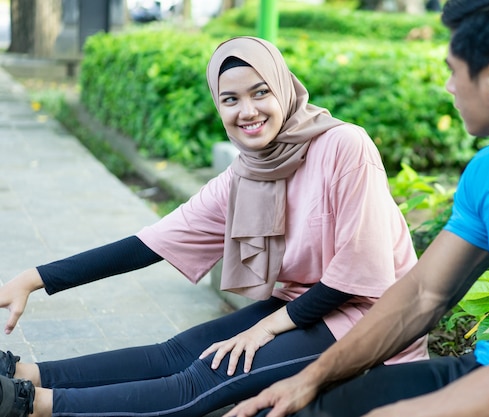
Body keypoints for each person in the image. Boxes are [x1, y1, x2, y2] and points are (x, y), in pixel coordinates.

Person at [226, 1, 489, 416]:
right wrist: (308, 379)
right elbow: (423, 294)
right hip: (488, 369)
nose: (450, 86)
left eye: (453, 70)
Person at [0, 36, 429, 417]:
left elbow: (359, 271)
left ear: (283, 88)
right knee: (176, 353)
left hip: (372, 320)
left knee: (200, 380)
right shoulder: (245, 174)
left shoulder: (344, 145)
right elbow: (146, 245)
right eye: (230, 100)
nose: (248, 111)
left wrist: (265, 327)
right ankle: (23, 375)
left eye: (260, 93)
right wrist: (33, 279)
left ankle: (29, 406)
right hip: (303, 307)